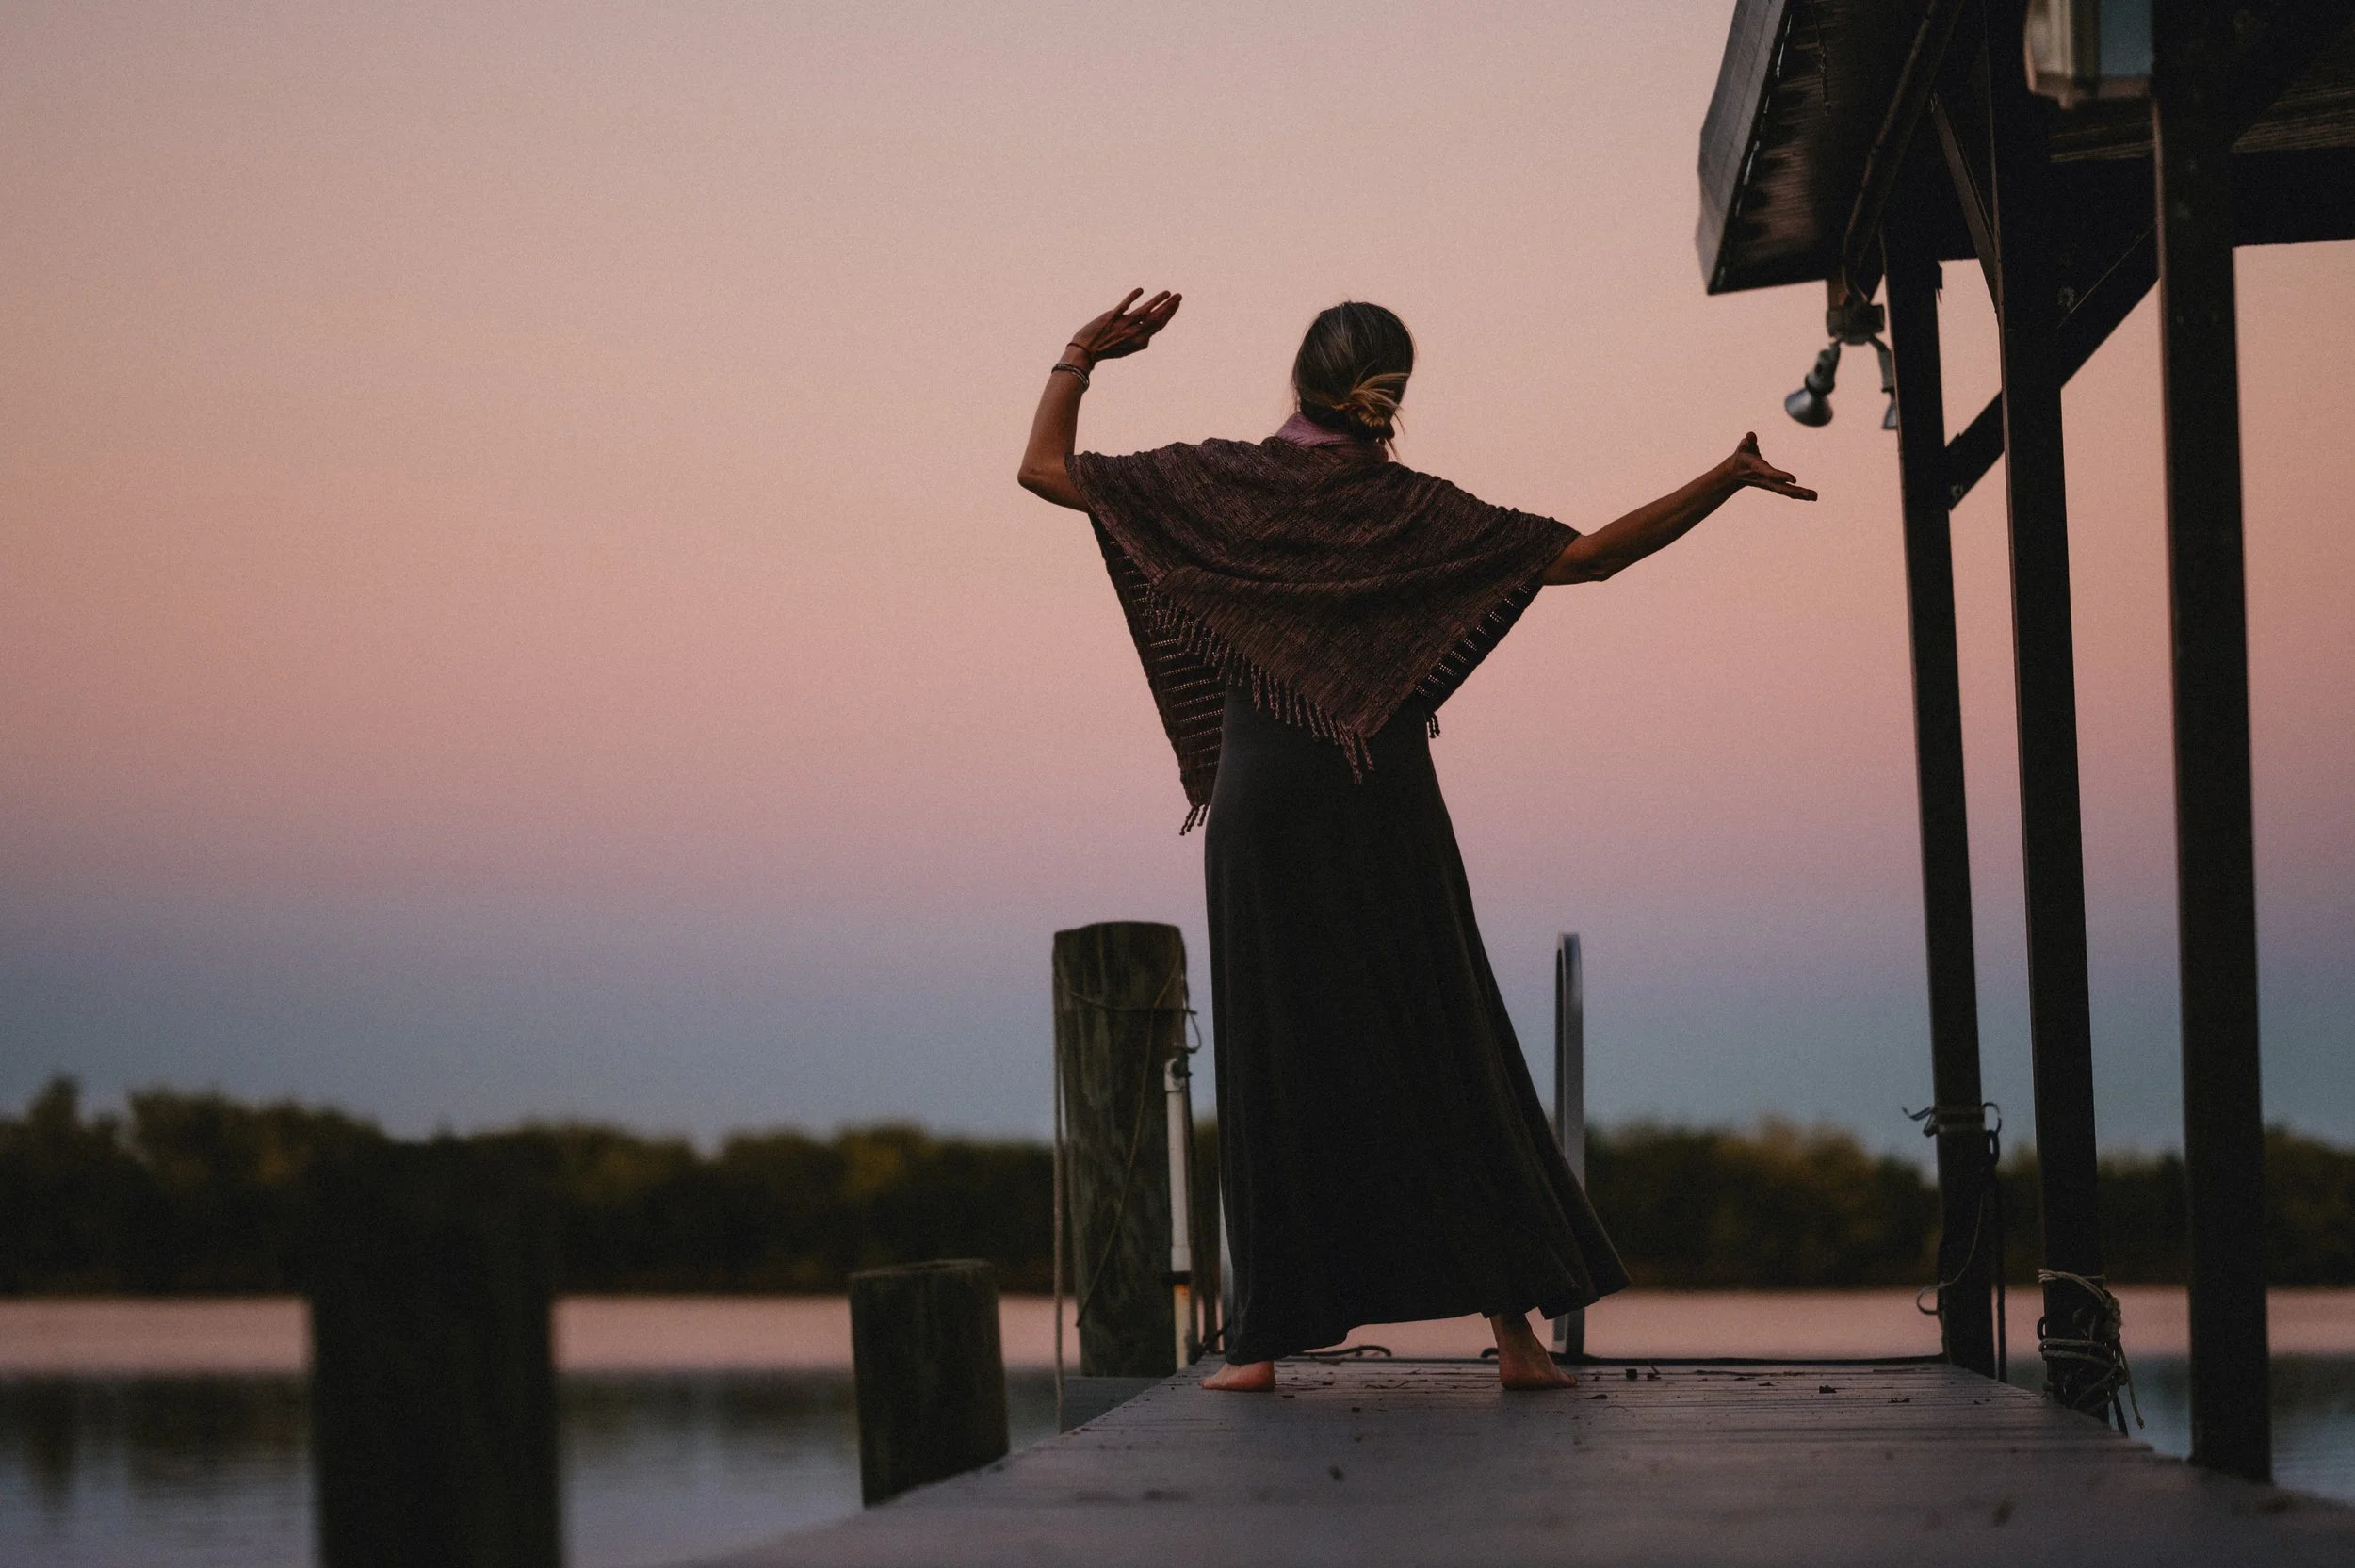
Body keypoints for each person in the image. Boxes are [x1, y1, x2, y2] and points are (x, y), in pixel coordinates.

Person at [1018, 291, 1815, 1391]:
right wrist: (1719, 480)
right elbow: (1584, 559)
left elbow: (1046, 472)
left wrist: (1082, 355)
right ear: (1390, 393)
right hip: (1381, 797)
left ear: (1297, 379)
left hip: (1264, 807)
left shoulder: (1218, 486)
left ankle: (1258, 1345)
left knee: (1274, 1058)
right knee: (1441, 1043)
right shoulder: (1411, 510)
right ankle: (1517, 1339)